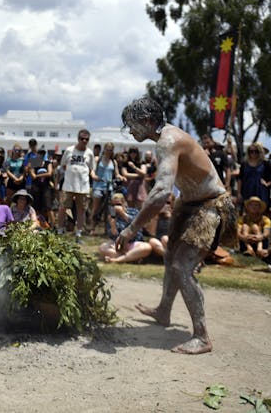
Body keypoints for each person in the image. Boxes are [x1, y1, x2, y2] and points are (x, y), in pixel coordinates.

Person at [118, 96, 236, 354]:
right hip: (189, 204)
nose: (130, 130)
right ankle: (163, 311)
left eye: (132, 124)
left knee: (182, 266)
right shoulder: (164, 140)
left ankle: (202, 337)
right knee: (171, 256)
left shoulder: (167, 141)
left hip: (210, 205)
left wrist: (131, 228)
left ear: (147, 121)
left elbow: (161, 192)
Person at [56, 129, 95, 243]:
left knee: (81, 210)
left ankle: (78, 234)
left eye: (86, 139)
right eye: (82, 138)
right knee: (62, 207)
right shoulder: (69, 150)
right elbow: (63, 166)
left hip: (83, 187)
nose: (84, 141)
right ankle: (59, 230)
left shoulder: (89, 153)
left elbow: (91, 168)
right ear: (78, 138)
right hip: (68, 186)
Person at [99, 192, 154, 263]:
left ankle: (117, 259)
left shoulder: (133, 211)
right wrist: (113, 226)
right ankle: (132, 257)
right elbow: (113, 236)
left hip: (134, 243)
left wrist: (123, 214)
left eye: (118, 204)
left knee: (147, 247)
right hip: (118, 245)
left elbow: (137, 227)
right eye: (113, 205)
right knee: (102, 248)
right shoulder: (112, 216)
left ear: (124, 203)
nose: (116, 207)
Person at [89, 142, 123, 233]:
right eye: (107, 149)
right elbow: (92, 170)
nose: (109, 151)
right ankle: (92, 227)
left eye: (111, 150)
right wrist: (94, 176)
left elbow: (117, 174)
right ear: (104, 149)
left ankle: (107, 229)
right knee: (96, 208)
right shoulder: (98, 159)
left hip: (109, 187)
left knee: (109, 209)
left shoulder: (113, 162)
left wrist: (121, 177)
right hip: (98, 186)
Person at [237, 142, 271, 210]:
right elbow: (240, 178)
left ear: (259, 152)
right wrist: (239, 193)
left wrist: (268, 184)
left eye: (256, 151)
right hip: (247, 190)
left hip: (260, 191)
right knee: (247, 210)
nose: (253, 153)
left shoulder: (265, 163)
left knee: (260, 210)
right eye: (251, 151)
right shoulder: (244, 163)